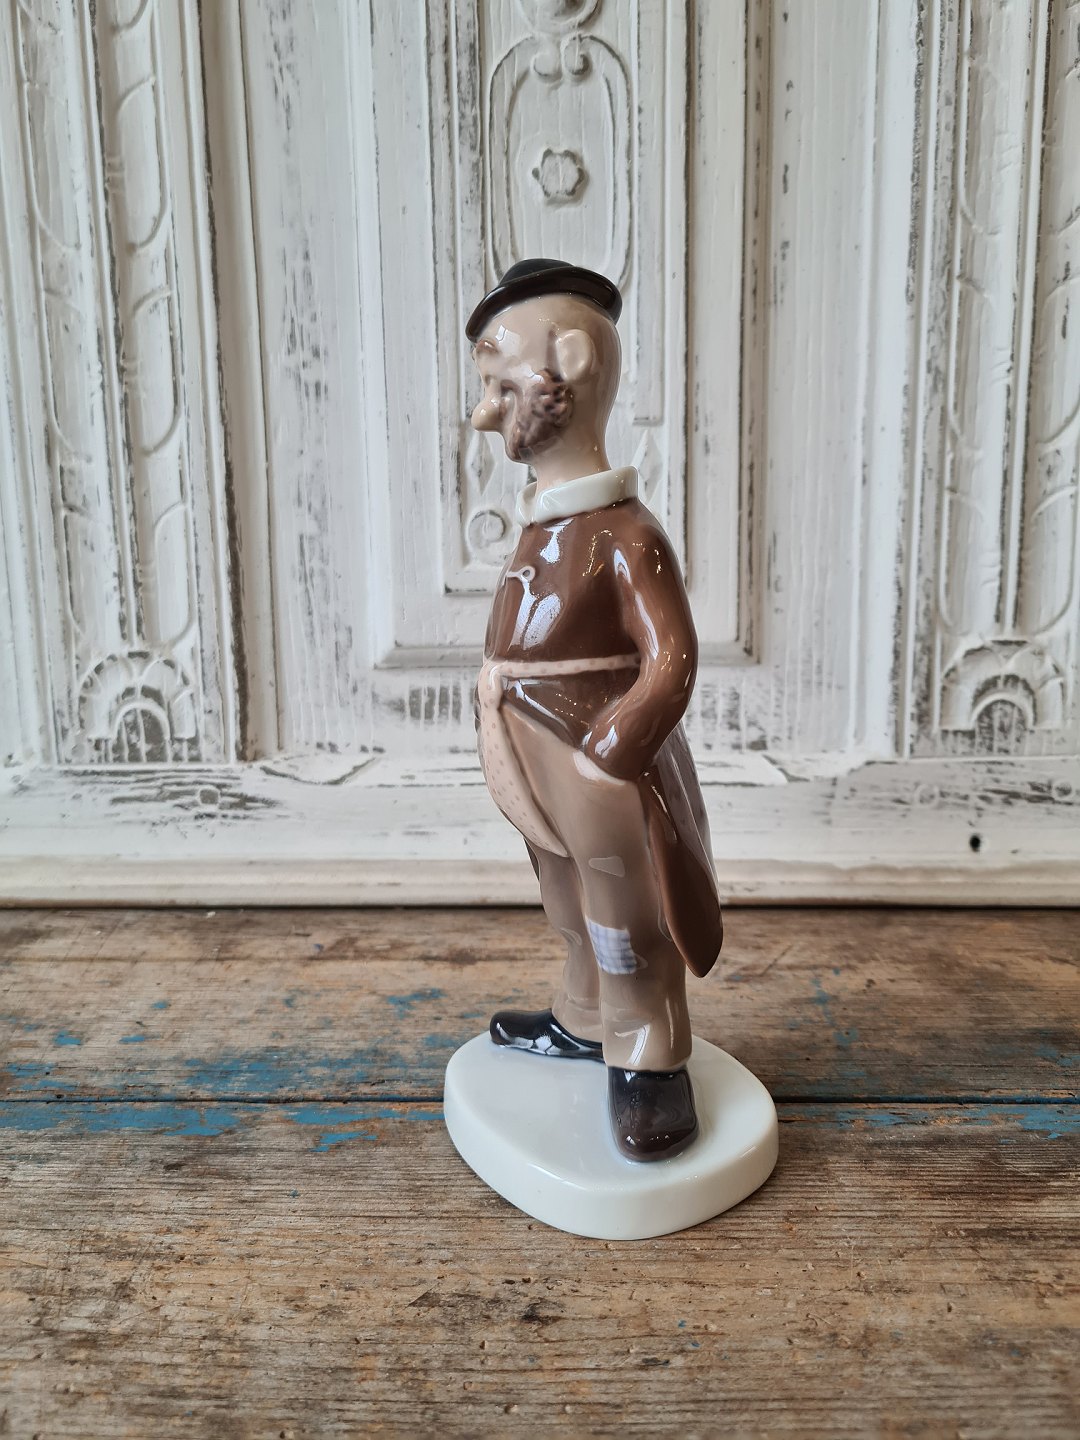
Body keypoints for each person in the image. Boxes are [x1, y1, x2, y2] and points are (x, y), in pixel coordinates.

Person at [467, 259, 723, 1161]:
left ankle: (649, 1055)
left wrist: (611, 749)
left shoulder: (626, 534)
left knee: (624, 910)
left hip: (589, 753)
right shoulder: (547, 523)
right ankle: (583, 1018)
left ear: (570, 366)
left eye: (501, 386)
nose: (486, 413)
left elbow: (672, 658)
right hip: (532, 746)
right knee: (568, 897)